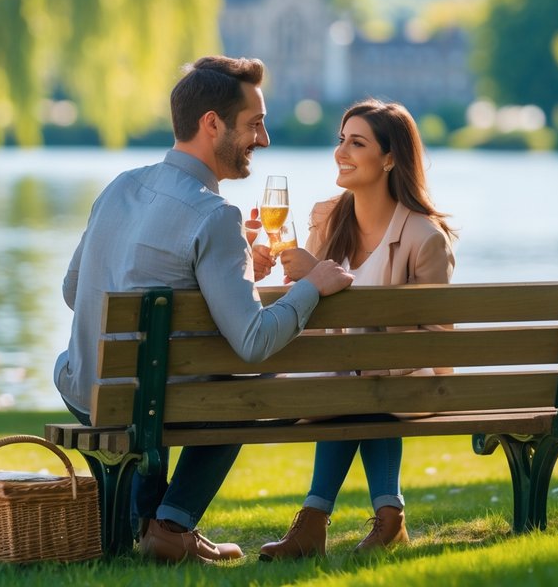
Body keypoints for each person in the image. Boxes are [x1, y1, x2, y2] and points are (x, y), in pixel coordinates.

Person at [53, 56, 353, 564]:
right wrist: (315, 287)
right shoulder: (215, 216)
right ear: (211, 123)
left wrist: (231, 279)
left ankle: (152, 523)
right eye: (254, 124)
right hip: (159, 404)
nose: (264, 139)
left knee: (163, 386)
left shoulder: (120, 186)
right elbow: (254, 342)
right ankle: (172, 526)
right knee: (255, 390)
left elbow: (71, 291)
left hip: (87, 391)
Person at [258, 99, 456, 560]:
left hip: (410, 384)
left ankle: (313, 524)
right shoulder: (326, 218)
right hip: (344, 379)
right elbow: (306, 314)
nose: (341, 151)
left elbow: (437, 342)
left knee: (354, 383)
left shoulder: (425, 237)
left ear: (389, 159)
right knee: (349, 381)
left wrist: (329, 291)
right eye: (341, 140)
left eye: (357, 142)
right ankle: (388, 518)